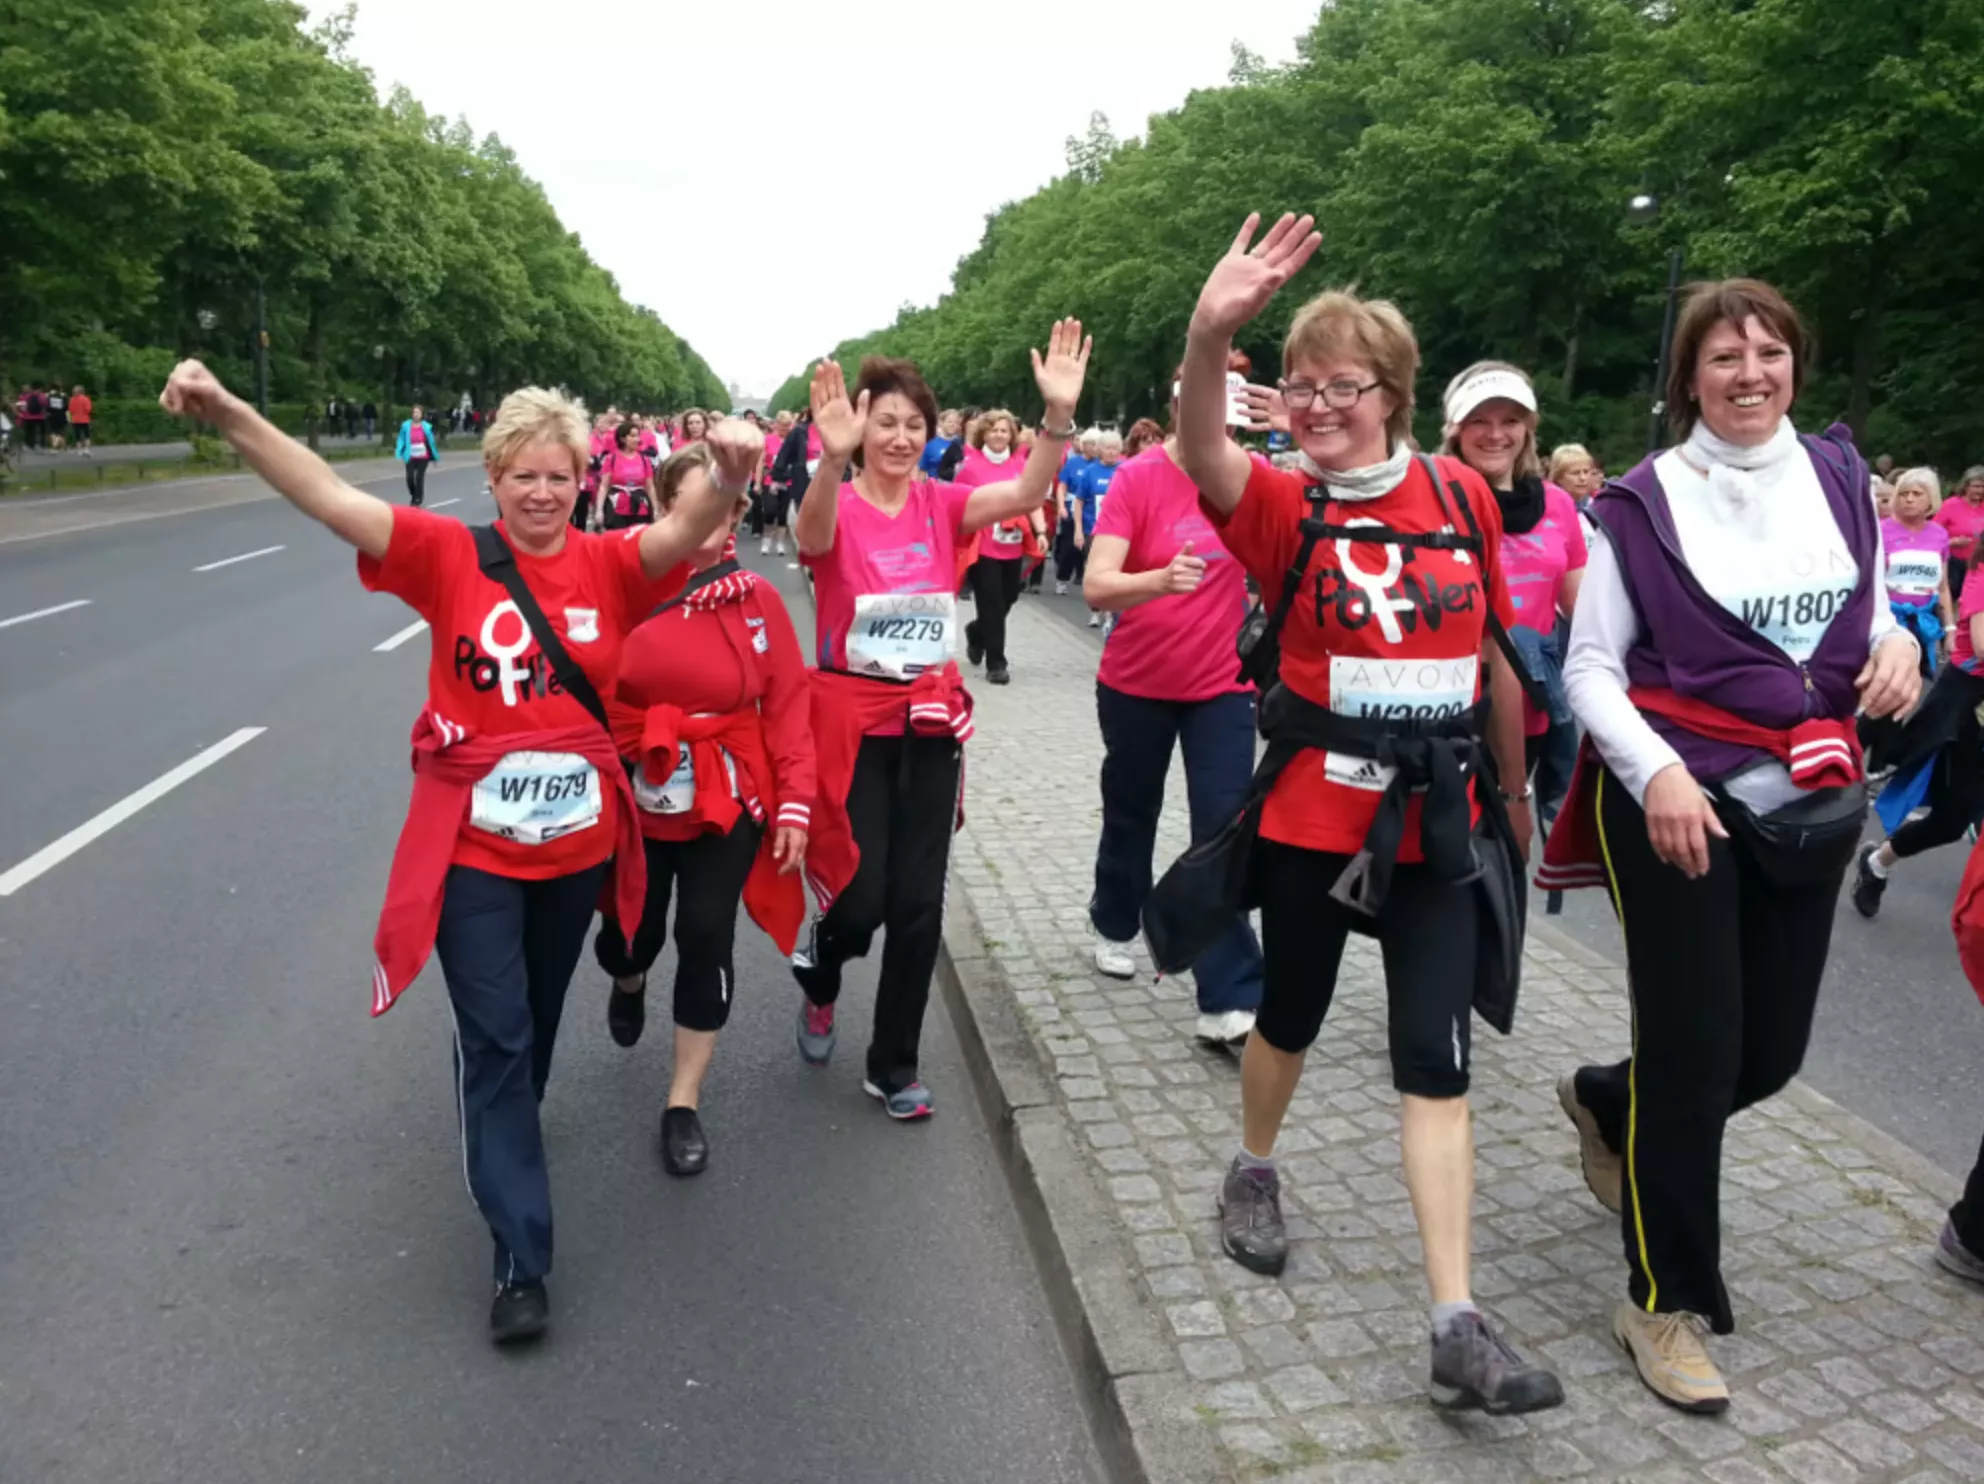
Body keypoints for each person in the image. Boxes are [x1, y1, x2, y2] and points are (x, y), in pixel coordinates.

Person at [157, 357, 751, 1345]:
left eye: (560, 473)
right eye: (524, 472)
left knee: (538, 1024)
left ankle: (507, 1112)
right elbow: (327, 493)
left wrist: (731, 475)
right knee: (499, 1037)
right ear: (496, 476)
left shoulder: (608, 564)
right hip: (476, 850)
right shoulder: (445, 553)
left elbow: (686, 531)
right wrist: (229, 413)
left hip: (573, 854)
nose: (543, 490)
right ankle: (521, 1254)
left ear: (583, 478)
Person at [1168, 212, 1560, 1416]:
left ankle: (1455, 1318)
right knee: (1288, 1012)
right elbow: (1200, 448)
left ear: (1390, 392)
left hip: (1435, 824)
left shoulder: (1459, 495)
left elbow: (1489, 650)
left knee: (1433, 1061)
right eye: (1298, 386)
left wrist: (1515, 794)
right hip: (1309, 819)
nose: (1317, 404)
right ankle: (1253, 1166)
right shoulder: (1285, 508)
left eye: (1342, 385)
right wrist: (1206, 333)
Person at [1543, 278, 1919, 1412]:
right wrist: (1652, 768)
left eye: (1769, 350)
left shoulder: (1842, 474)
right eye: (1723, 356)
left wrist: (1896, 640)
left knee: (1766, 1058)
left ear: (1794, 362)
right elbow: (1589, 667)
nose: (1749, 372)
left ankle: (1610, 1099)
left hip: (1806, 796)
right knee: (1700, 1052)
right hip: (1674, 801)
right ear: (1686, 380)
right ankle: (1662, 1300)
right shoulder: (1640, 504)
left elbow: (1859, 611)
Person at [792, 323, 1090, 1120]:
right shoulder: (838, 501)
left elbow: (1027, 495)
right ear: (858, 431)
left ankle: (893, 1064)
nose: (898, 437)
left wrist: (1056, 417)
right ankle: (821, 970)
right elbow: (811, 536)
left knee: (920, 905)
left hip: (928, 722)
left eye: (913, 425)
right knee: (860, 901)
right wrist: (827, 460)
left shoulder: (944, 502)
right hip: (852, 723)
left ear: (930, 436)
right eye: (883, 423)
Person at [596, 443, 816, 1175]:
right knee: (632, 935)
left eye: (724, 510)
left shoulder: (758, 601)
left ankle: (682, 1102)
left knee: (704, 930)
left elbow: (787, 708)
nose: (711, 525)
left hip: (727, 795)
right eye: (696, 507)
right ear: (667, 511)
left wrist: (794, 808)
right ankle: (628, 983)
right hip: (637, 789)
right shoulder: (623, 587)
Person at [1082, 380, 1263, 1046]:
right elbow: (1098, 586)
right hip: (1136, 682)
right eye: (1203, 408)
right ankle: (1115, 921)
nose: (1217, 423)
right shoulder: (1138, 478)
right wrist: (1158, 580)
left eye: (1229, 414)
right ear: (1179, 409)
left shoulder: (1252, 476)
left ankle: (1228, 997)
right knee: (1133, 810)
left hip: (1221, 688)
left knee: (1223, 827)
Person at [1444, 363, 1587, 831]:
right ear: (1454, 429)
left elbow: (1583, 613)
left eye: (1510, 420)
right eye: (1479, 421)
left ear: (1528, 429)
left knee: (1504, 853)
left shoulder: (1558, 505)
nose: (1495, 434)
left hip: (1534, 709)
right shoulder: (1431, 500)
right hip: (1451, 710)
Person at [959, 409, 1038, 685]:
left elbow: (1032, 500)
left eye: (1004, 430)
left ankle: (977, 632)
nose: (998, 435)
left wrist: (1040, 530)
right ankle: (996, 663)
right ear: (984, 434)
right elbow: (960, 505)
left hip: (1014, 544)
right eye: (993, 430)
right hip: (983, 545)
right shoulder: (971, 466)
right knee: (991, 602)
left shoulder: (1020, 465)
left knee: (1008, 598)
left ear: (1011, 435)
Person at [1878, 467, 1955, 676]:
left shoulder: (1939, 534)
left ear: (1931, 499)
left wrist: (1949, 630)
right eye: (1903, 494)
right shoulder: (1880, 530)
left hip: (1925, 622)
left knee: (1918, 683)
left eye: (1916, 494)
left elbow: (1943, 586)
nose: (1909, 499)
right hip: (1888, 621)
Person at [1068, 430, 1123, 627]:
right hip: (1093, 529)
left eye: (1115, 448)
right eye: (1108, 448)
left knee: (1114, 571)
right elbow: (1079, 501)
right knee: (1093, 570)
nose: (1111, 452)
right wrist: (1077, 530)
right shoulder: (1091, 472)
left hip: (1117, 532)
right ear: (1100, 450)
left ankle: (1110, 611)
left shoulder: (1124, 470)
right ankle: (1094, 610)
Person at [1935, 465, 1984, 598]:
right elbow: (1932, 535)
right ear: (1965, 486)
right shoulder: (1950, 505)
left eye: (1983, 487)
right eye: (1976, 486)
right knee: (1952, 593)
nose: (1980, 490)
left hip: (1980, 564)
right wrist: (1951, 542)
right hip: (1955, 562)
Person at [600, 421, 658, 530]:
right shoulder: (611, 458)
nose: (637, 439)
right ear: (622, 439)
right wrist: (599, 510)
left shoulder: (644, 460)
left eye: (637, 436)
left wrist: (655, 509)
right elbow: (604, 486)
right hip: (617, 507)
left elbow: (650, 487)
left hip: (640, 507)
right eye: (632, 436)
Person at [395, 403, 439, 506]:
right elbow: (401, 439)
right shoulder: (406, 426)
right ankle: (414, 494)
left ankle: (418, 498)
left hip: (423, 456)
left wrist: (435, 458)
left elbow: (431, 443)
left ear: (421, 414)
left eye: (418, 412)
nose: (416, 415)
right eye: (414, 412)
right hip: (410, 455)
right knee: (410, 477)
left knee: (419, 477)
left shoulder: (426, 427)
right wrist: (399, 451)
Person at [1547, 444, 1602, 508]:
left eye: (1586, 472)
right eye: (1575, 473)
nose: (1583, 478)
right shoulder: (1546, 507)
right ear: (1558, 477)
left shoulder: (1598, 506)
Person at [919, 408, 962, 478]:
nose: (953, 425)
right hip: (935, 485)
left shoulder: (961, 444)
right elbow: (922, 471)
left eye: (956, 422)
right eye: (950, 422)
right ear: (941, 423)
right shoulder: (930, 444)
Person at [67, 385, 93, 455]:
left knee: (77, 436)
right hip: (85, 420)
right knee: (87, 435)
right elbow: (88, 410)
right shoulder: (86, 399)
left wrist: (70, 419)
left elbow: (70, 410)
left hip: (75, 420)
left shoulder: (71, 399)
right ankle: (86, 449)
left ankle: (79, 450)